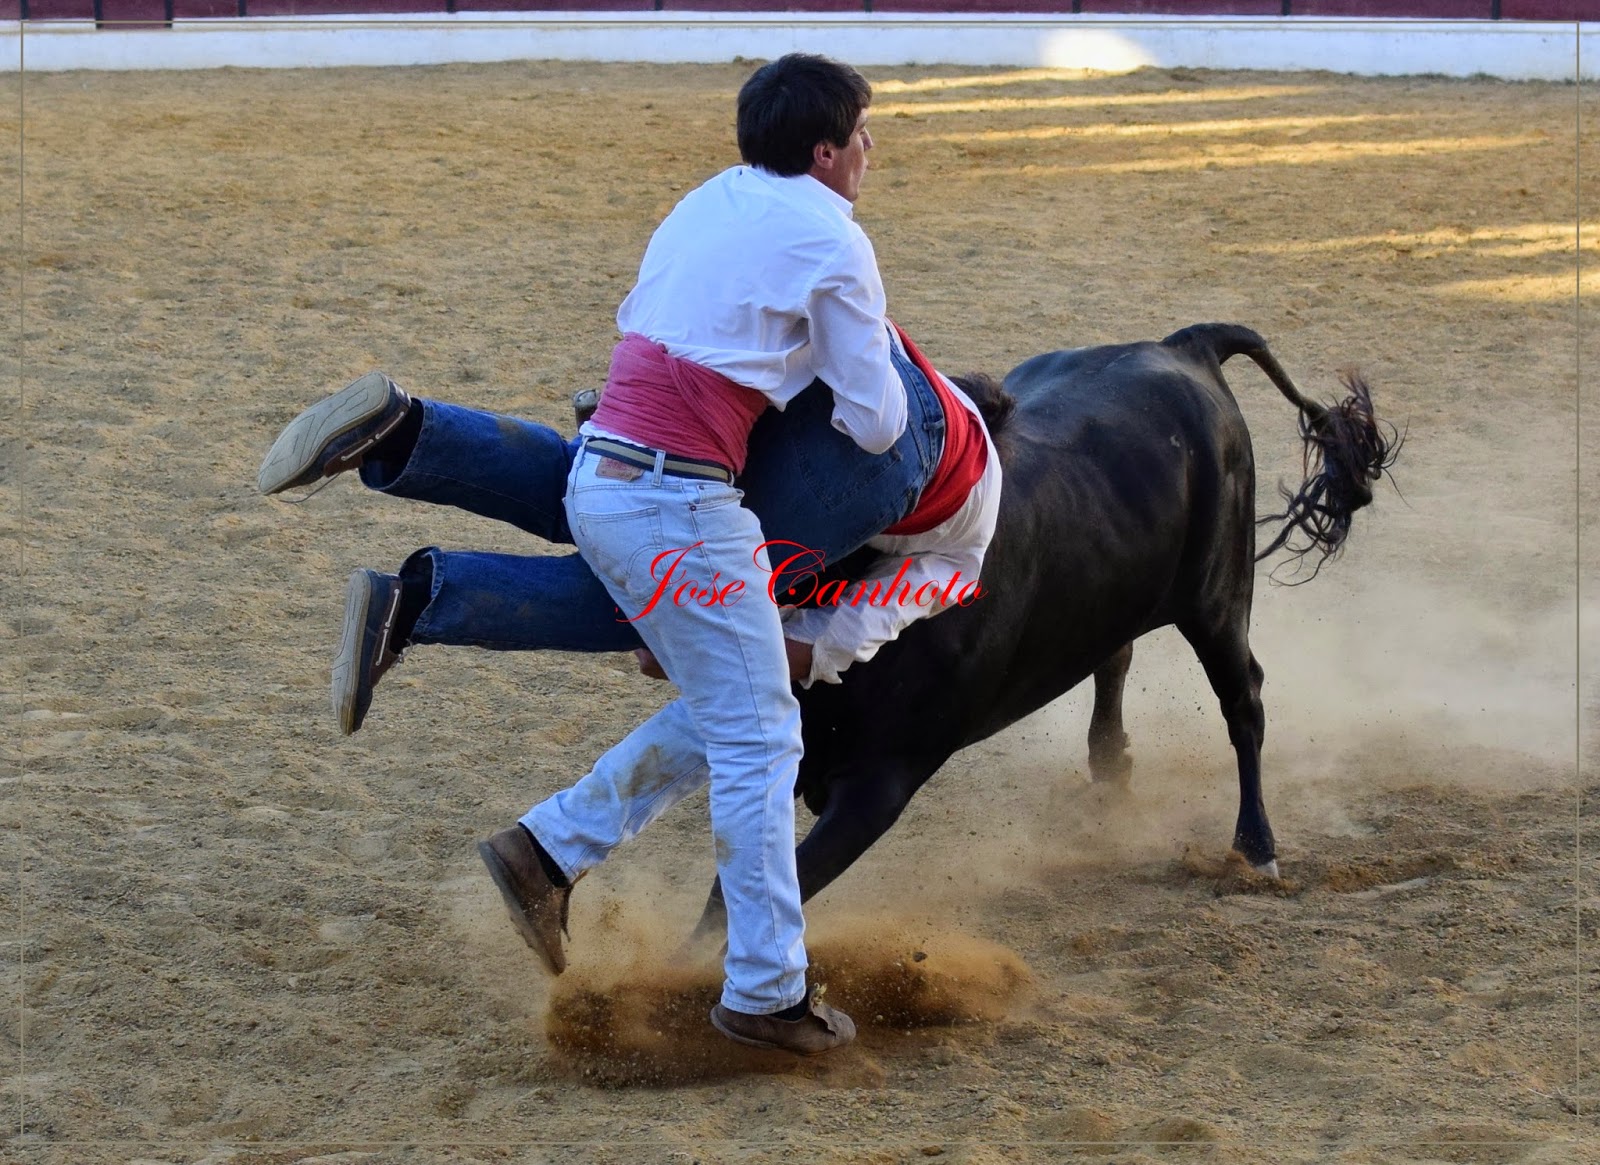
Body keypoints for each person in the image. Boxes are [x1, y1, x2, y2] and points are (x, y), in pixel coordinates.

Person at [260, 53, 962, 1057]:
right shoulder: (836, 243)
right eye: (860, 135)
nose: (869, 149)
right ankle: (766, 989)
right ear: (824, 152)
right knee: (760, 733)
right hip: (681, 501)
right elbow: (879, 422)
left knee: (607, 571)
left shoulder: (709, 198)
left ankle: (411, 459)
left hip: (605, 461)